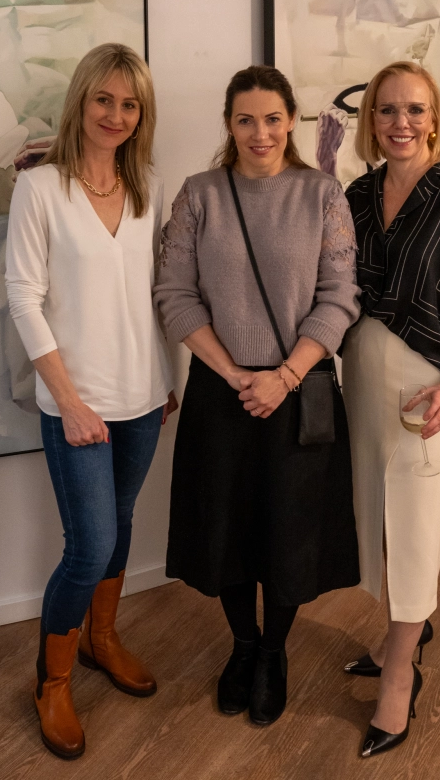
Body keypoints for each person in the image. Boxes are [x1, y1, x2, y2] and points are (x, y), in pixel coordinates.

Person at [153, 65, 360, 727]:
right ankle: (243, 645)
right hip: (222, 395)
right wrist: (231, 371)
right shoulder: (199, 195)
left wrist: (284, 376)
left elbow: (339, 298)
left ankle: (274, 653)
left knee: (290, 534)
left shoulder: (322, 194)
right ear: (229, 124)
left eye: (273, 119)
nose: (260, 133)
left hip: (297, 391)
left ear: (291, 120)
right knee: (228, 530)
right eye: (246, 120)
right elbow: (174, 294)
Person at [5, 43, 177, 760]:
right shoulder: (40, 188)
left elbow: (155, 295)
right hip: (76, 403)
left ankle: (102, 638)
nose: (115, 115)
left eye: (130, 104)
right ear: (81, 100)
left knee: (123, 523)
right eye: (104, 99)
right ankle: (51, 682)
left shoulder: (147, 188)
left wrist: (169, 378)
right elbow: (24, 297)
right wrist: (69, 402)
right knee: (90, 547)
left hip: (144, 396)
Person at [341, 60, 440, 758]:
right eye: (386, 110)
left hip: (427, 390)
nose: (400, 122)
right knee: (377, 516)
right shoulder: (356, 194)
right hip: (359, 379)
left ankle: (400, 675)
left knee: (414, 525)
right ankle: (403, 632)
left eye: (414, 109)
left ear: (435, 118)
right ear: (370, 120)